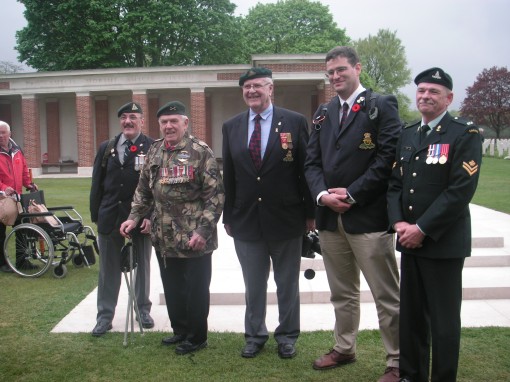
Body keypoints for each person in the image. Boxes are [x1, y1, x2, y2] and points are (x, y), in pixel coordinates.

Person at [304, 46, 400, 382]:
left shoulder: (380, 105)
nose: (334, 77)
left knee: (386, 296)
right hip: (331, 220)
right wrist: (322, 196)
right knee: (342, 292)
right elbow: (311, 162)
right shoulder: (323, 113)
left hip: (369, 217)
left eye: (341, 70)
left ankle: (397, 361)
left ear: (357, 68)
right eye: (329, 73)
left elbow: (388, 157)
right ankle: (344, 348)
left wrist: (354, 194)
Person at [387, 68, 482, 382]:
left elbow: (459, 191)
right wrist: (399, 222)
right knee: (412, 318)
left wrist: (421, 229)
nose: (425, 96)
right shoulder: (409, 133)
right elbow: (396, 184)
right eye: (421, 91)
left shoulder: (463, 133)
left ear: (448, 98)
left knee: (443, 323)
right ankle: (411, 375)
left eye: (433, 92)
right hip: (409, 242)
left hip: (442, 243)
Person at [222, 67, 315, 359]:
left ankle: (287, 336)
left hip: (287, 218)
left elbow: (305, 170)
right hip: (246, 219)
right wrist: (229, 215)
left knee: (287, 283)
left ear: (271, 88)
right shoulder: (232, 126)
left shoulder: (295, 122)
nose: (252, 91)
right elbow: (231, 176)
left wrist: (310, 214)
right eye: (247, 87)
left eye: (257, 86)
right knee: (253, 283)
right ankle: (254, 335)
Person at [120, 101, 224, 355]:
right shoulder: (154, 151)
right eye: (164, 122)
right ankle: (180, 330)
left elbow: (216, 196)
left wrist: (203, 231)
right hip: (163, 237)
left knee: (195, 289)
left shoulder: (200, 152)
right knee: (173, 287)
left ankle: (197, 336)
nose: (168, 126)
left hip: (193, 237)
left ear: (185, 123)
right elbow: (143, 190)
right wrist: (134, 217)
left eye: (173, 121)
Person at [89, 102, 155, 336]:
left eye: (133, 117)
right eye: (124, 117)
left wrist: (149, 216)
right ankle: (105, 316)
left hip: (140, 219)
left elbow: (156, 186)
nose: (128, 121)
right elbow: (97, 182)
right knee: (108, 270)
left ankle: (142, 310)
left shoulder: (152, 147)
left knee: (142, 267)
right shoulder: (107, 147)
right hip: (110, 217)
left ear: (141, 121)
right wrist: (96, 214)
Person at [0, 120, 38, 273]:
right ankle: (2, 264)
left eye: (3, 132)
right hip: (2, 198)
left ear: (10, 134)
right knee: (0, 233)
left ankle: (22, 261)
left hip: (17, 198)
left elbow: (23, 170)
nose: (1, 136)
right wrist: (3, 188)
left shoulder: (17, 150)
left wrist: (28, 184)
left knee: (22, 229)